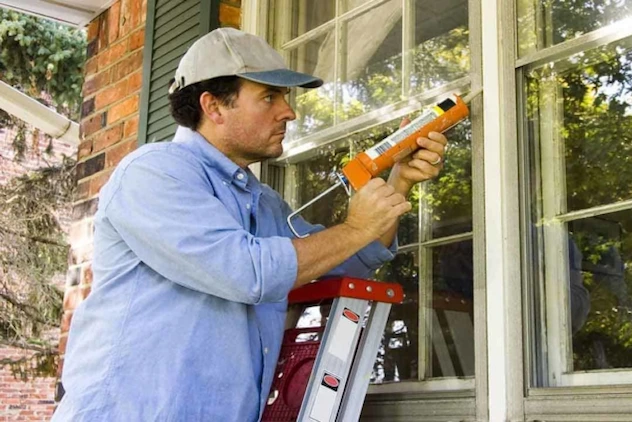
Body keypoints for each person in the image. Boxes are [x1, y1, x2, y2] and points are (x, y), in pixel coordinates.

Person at [53, 28, 448, 421]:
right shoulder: (154, 173)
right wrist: (355, 228)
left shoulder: (264, 202)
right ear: (214, 107)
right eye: (269, 97)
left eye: (285, 97)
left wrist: (399, 181)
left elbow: (345, 258)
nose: (289, 112)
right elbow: (247, 271)